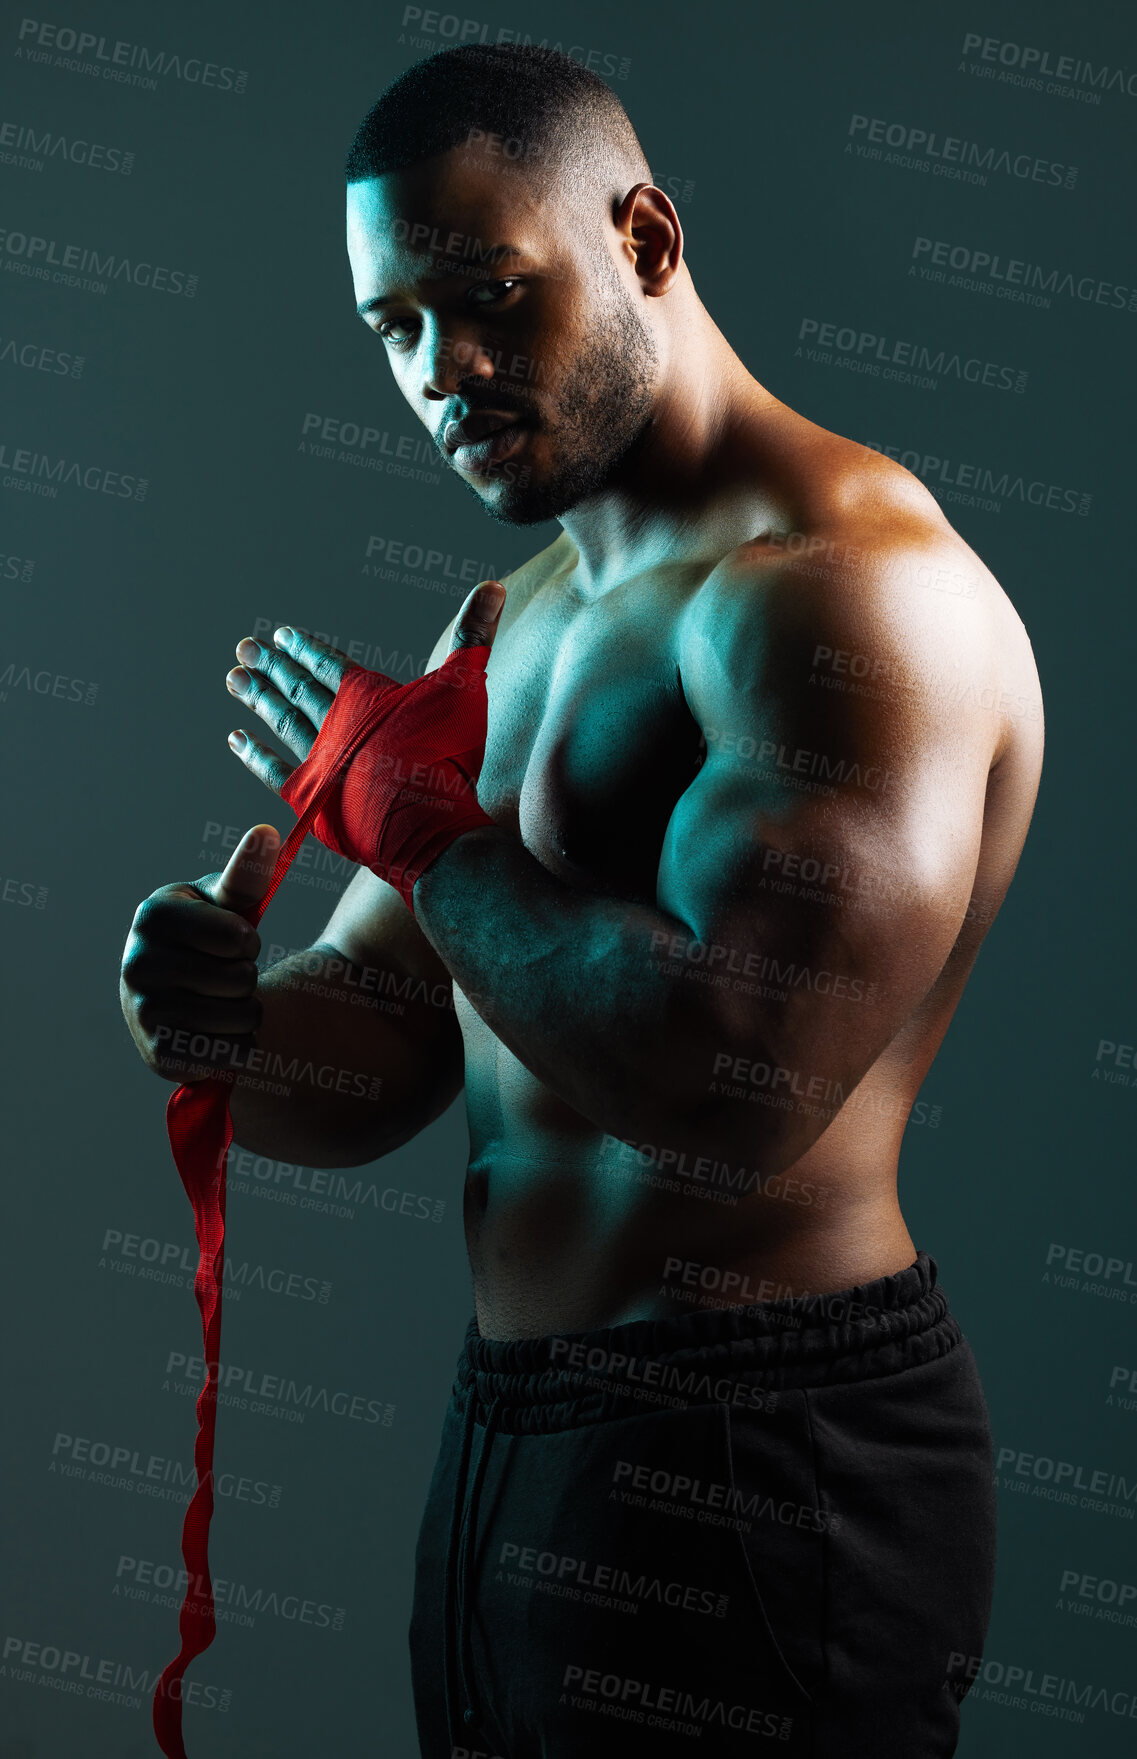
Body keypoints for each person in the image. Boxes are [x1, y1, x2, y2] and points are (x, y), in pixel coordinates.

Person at [120, 43, 1043, 1757]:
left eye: (487, 298)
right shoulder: (517, 617)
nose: (442, 370)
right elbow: (385, 1056)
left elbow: (724, 1090)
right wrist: (220, 1017)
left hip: (758, 1451)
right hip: (518, 1436)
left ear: (642, 236)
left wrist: (434, 840)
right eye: (393, 330)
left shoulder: (842, 596)